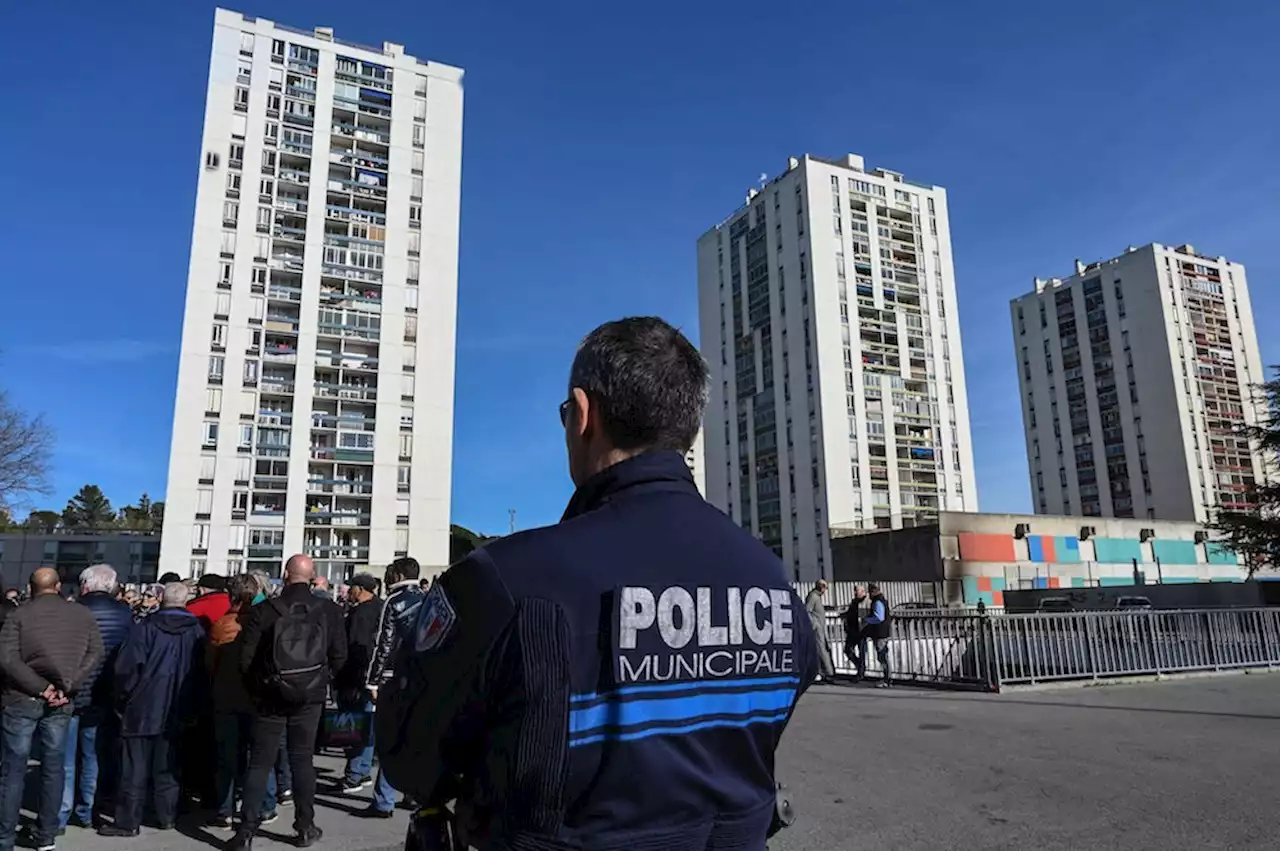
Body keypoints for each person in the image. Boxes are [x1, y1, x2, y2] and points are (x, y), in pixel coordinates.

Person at [377, 317, 818, 851]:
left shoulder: (505, 579)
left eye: (566, 415)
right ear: (687, 428)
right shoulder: (770, 578)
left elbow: (410, 753)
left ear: (583, 415)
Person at [228, 555, 346, 851]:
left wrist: (261, 689)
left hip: (270, 697)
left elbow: (246, 661)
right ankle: (305, 826)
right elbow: (340, 655)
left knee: (260, 764)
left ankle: (245, 832)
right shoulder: (329, 610)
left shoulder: (264, 610)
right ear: (313, 575)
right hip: (311, 697)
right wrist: (320, 681)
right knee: (303, 761)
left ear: (284, 574)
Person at [0, 568, 103, 851]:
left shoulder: (18, 615)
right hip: (62, 699)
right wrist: (68, 684)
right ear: (58, 586)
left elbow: (7, 659)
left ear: (30, 587)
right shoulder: (81, 615)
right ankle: (46, 835)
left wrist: (40, 687)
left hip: (22, 697)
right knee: (53, 767)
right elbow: (95, 652)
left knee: (13, 770)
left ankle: (5, 837)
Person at [98, 583, 206, 837]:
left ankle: (128, 821)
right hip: (179, 705)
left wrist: (123, 699)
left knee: (134, 767)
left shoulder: (145, 628)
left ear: (161, 599)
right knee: (168, 765)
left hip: (143, 705)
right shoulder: (197, 632)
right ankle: (166, 815)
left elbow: (126, 669)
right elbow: (202, 672)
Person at [61, 565, 133, 831]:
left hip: (73, 689)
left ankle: (61, 810)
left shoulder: (72, 611)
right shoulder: (125, 613)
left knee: (65, 758)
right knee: (92, 755)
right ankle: (87, 809)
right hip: (105, 691)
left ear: (85, 586)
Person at [207, 576, 282, 830]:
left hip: (227, 696)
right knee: (260, 757)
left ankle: (224, 810)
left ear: (232, 596)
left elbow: (210, 664)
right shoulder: (268, 623)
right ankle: (267, 805)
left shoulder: (222, 625)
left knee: (227, 757)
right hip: (258, 697)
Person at [354, 556, 425, 818]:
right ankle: (413, 793)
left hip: (395, 677)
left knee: (390, 737)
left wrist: (372, 680)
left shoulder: (394, 601)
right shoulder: (429, 598)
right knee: (414, 736)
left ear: (396, 575)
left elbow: (383, 644)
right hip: (423, 676)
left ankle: (384, 800)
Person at [336, 574, 383, 796]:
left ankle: (353, 774)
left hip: (354, 677)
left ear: (361, 588)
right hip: (373, 676)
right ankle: (361, 770)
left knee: (352, 726)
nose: (349, 590)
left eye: (351, 586)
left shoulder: (359, 614)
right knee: (368, 725)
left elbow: (355, 647)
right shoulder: (381, 608)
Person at [861, 584, 892, 688]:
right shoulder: (882, 600)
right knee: (883, 655)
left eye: (870, 592)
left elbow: (879, 618)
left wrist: (867, 620)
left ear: (873, 592)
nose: (869, 595)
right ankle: (887, 678)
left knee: (882, 656)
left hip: (880, 632)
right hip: (883, 632)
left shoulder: (877, 602)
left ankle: (887, 679)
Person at [804, 580, 835, 682]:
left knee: (822, 649)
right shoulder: (813, 597)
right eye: (825, 588)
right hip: (818, 628)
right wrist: (814, 624)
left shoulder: (816, 597)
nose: (825, 591)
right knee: (821, 650)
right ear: (821, 588)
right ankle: (828, 673)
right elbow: (807, 610)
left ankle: (824, 672)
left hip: (820, 627)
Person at [841, 586, 868, 681]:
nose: (856, 593)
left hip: (861, 630)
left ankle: (861, 673)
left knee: (862, 653)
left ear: (863, 592)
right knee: (848, 650)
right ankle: (860, 666)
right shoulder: (854, 602)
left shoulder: (866, 602)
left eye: (857, 592)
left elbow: (866, 615)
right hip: (852, 630)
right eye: (855, 592)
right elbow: (850, 613)